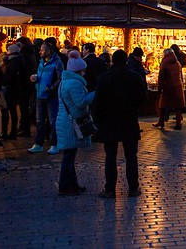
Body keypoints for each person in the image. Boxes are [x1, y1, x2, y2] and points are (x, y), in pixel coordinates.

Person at [94, 49, 148, 198]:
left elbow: (97, 101)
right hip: (129, 120)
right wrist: (133, 107)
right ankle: (133, 188)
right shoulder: (134, 77)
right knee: (131, 156)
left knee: (110, 156)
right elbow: (143, 96)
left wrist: (98, 119)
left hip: (109, 121)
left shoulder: (104, 78)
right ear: (126, 60)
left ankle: (110, 189)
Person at [55, 51, 95, 196]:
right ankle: (65, 185)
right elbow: (80, 102)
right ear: (78, 70)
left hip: (65, 120)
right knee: (69, 157)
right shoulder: (74, 83)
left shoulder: (65, 82)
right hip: (71, 123)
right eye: (83, 70)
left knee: (69, 155)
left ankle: (71, 184)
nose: (84, 73)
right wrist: (93, 95)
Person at [28, 41, 64, 154]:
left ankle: (54, 144)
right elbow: (41, 75)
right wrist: (35, 78)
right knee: (40, 120)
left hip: (51, 95)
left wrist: (52, 88)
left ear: (48, 51)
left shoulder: (57, 63)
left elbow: (60, 78)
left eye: (42, 50)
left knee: (53, 120)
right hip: (40, 94)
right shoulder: (41, 62)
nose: (40, 52)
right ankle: (38, 143)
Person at [153, 48, 185, 130]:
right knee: (178, 105)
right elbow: (181, 76)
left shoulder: (165, 63)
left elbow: (161, 77)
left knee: (162, 104)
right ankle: (178, 123)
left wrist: (159, 88)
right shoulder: (177, 63)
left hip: (168, 87)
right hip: (178, 86)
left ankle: (161, 121)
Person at [1, 43, 24, 140]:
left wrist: (4, 81)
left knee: (8, 111)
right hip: (14, 89)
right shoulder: (18, 61)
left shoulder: (13, 63)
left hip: (10, 89)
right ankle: (10, 132)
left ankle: (7, 132)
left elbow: (10, 77)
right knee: (12, 111)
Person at [16, 36, 37, 137]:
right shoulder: (32, 53)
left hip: (24, 83)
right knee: (25, 107)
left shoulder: (24, 55)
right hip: (29, 83)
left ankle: (25, 129)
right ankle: (23, 127)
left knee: (24, 107)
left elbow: (23, 69)